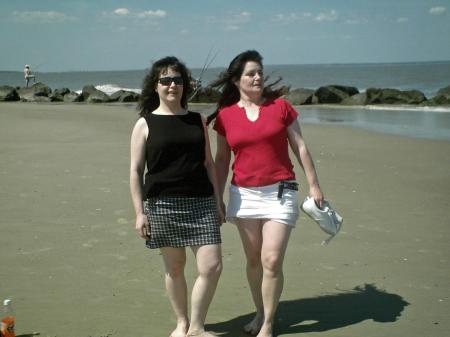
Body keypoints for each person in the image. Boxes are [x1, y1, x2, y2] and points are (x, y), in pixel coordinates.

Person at [209, 50, 324, 337]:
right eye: (251, 73)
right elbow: (222, 160)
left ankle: (269, 324)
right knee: (253, 260)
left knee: (271, 260)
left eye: (259, 72)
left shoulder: (281, 108)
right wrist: (217, 197)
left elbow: (300, 147)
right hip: (244, 194)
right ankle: (260, 313)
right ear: (237, 80)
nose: (258, 77)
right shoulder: (225, 117)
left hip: (280, 192)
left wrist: (314, 184)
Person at [130, 56, 224, 337]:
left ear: (185, 85)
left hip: (202, 203)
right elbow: (135, 171)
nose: (172, 85)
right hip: (162, 204)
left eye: (178, 80)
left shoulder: (198, 120)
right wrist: (139, 212)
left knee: (212, 266)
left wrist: (218, 200)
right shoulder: (144, 124)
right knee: (175, 268)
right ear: (155, 86)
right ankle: (182, 322)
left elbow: (208, 163)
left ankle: (196, 327)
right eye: (166, 80)